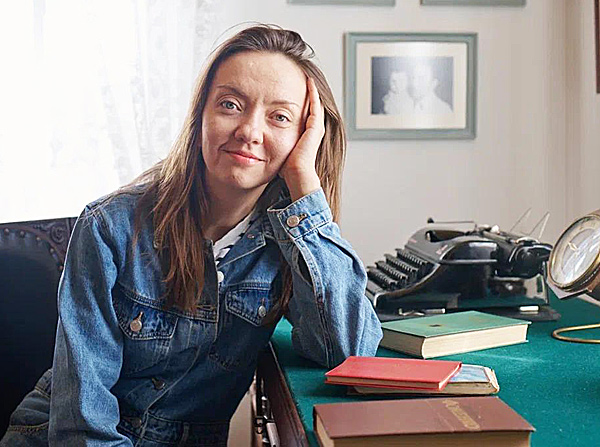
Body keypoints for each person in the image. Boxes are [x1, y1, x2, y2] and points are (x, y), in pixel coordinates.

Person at [1, 24, 383, 447]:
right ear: (201, 115)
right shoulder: (108, 226)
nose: (250, 131)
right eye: (230, 105)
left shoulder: (289, 240)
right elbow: (81, 427)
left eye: (280, 117)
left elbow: (348, 352)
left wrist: (305, 185)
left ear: (304, 137)